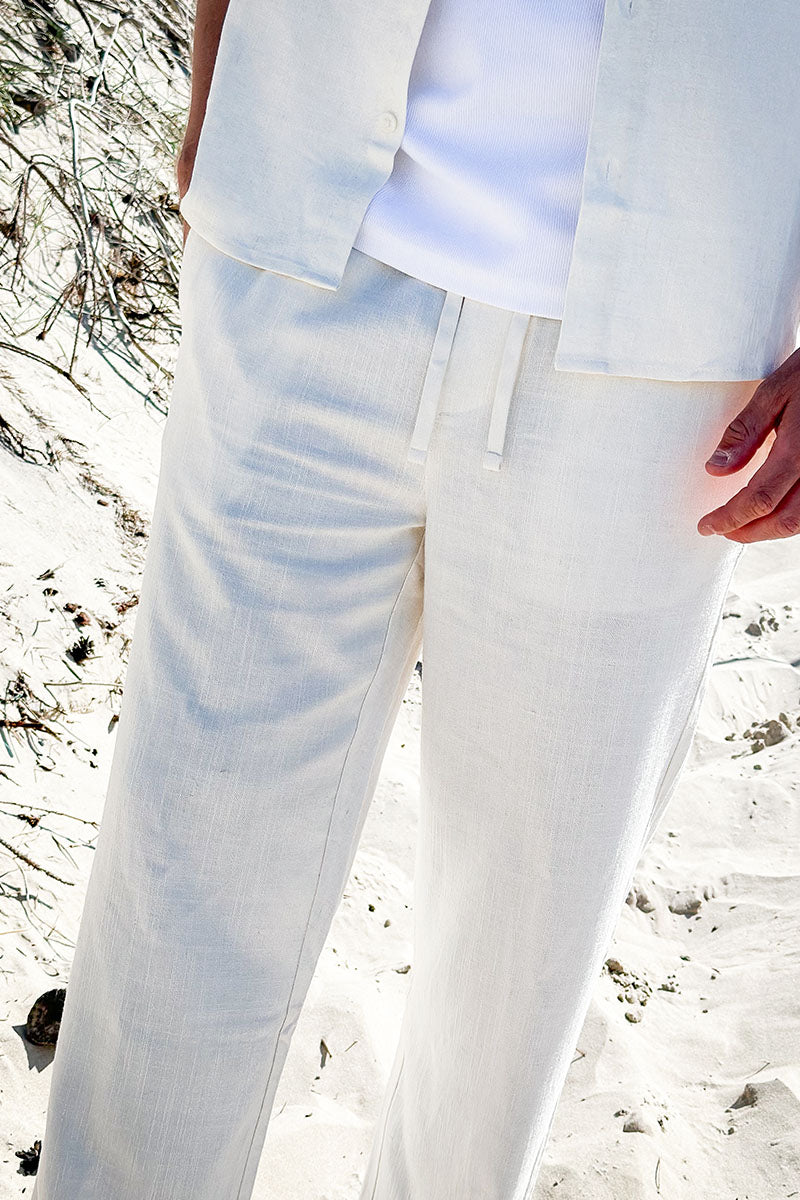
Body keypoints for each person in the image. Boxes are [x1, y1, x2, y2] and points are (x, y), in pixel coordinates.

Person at [31, 1, 800, 1197]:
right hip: (307, 228)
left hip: (666, 350)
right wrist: (220, 72)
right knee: (177, 892)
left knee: (515, 964)